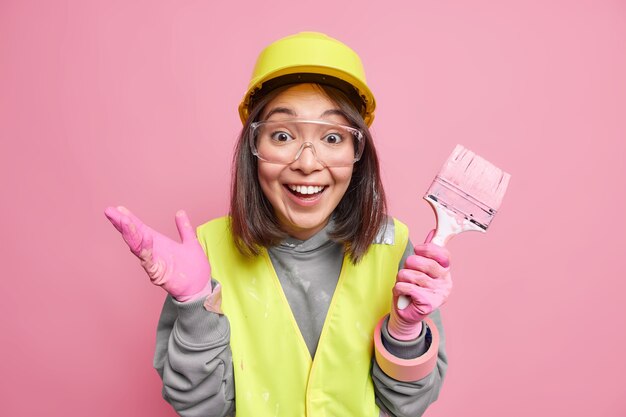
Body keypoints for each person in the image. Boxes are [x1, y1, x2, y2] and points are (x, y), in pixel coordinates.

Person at [105, 32, 452, 417]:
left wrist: (405, 332)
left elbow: (408, 406)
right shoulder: (204, 252)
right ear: (253, 149)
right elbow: (202, 410)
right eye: (283, 135)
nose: (307, 162)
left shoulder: (392, 246)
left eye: (333, 137)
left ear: (358, 154)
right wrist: (194, 306)